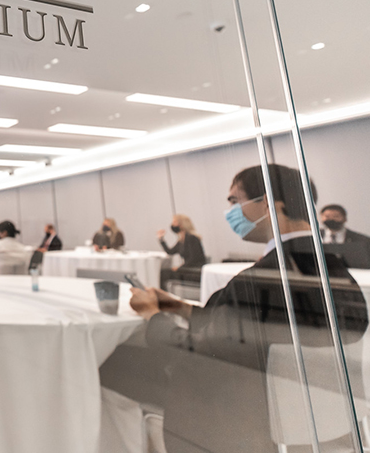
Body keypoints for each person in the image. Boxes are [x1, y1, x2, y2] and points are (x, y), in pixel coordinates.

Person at [126, 164, 368, 452]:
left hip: (250, 424)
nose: (230, 210)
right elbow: (244, 330)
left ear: (266, 202)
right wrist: (179, 307)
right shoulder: (336, 271)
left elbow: (199, 354)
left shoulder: (262, 280)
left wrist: (153, 317)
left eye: (234, 200)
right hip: (325, 427)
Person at [157, 214, 206, 288]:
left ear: (182, 224)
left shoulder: (192, 238)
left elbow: (194, 259)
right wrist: (161, 239)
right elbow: (170, 251)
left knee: (165, 274)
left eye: (174, 222)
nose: (172, 224)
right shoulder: (181, 240)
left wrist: (179, 268)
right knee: (164, 272)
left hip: (194, 269)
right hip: (187, 268)